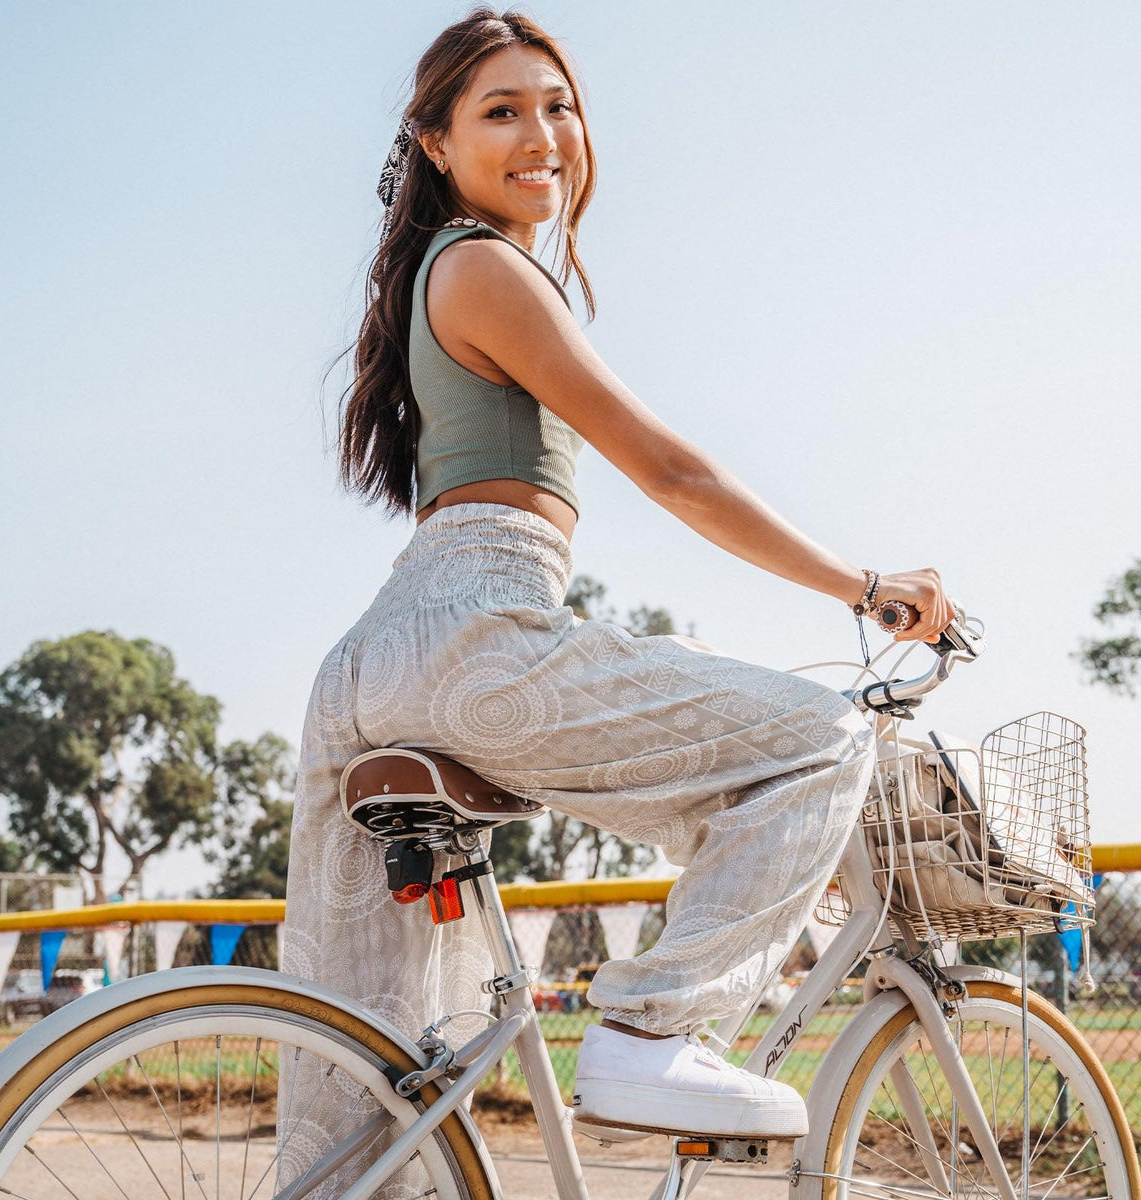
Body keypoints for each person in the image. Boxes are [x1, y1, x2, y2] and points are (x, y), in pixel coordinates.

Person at [279, 4, 955, 1173]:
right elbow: (674, 472)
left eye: (560, 104)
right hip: (476, 632)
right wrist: (866, 584)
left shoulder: (442, 273)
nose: (543, 131)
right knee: (821, 742)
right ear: (436, 144)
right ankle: (653, 1029)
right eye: (502, 110)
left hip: (384, 657)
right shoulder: (487, 265)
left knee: (374, 1072)